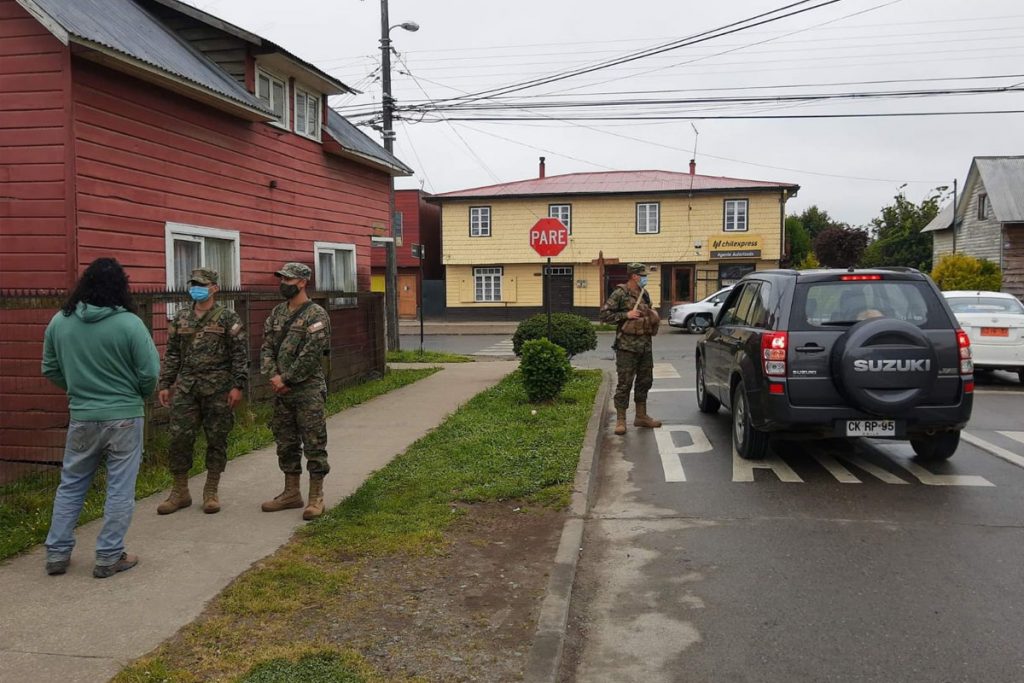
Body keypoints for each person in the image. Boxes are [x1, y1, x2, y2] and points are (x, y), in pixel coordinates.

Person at [41, 257, 160, 578]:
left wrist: (78, 389)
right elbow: (150, 372)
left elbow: (50, 368)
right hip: (124, 416)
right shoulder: (129, 324)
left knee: (71, 484)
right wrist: (137, 394)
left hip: (82, 416)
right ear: (121, 287)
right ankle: (109, 556)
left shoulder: (59, 322)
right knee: (120, 487)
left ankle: (56, 553)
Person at [156, 268, 247, 515]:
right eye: (194, 284)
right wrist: (165, 383)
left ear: (214, 288)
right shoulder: (182, 318)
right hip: (187, 388)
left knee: (216, 438)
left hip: (218, 388)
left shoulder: (228, 318)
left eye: (202, 284)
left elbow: (239, 355)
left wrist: (238, 386)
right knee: (179, 438)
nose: (197, 288)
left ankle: (211, 490)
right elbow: (173, 353)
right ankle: (179, 491)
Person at [259, 262, 331, 520]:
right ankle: (291, 493)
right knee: (286, 442)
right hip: (282, 392)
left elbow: (311, 355)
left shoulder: (316, 315)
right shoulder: (277, 313)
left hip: (307, 390)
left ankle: (316, 497)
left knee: (314, 442)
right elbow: (266, 346)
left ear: (302, 282)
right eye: (282, 279)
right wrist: (273, 376)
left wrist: (287, 377)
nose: (283, 284)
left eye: (288, 280)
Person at [599, 263, 663, 436]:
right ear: (634, 276)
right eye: (642, 275)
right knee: (625, 383)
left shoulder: (645, 294)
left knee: (645, 381)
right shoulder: (620, 293)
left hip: (645, 346)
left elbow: (647, 311)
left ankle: (641, 416)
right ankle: (621, 420)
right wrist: (625, 315)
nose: (645, 278)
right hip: (626, 347)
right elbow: (604, 315)